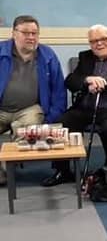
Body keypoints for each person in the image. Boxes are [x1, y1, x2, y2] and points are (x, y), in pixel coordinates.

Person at [41, 24, 107, 186]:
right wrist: (87, 80)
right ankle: (62, 170)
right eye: (94, 41)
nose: (99, 44)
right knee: (62, 123)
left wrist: (105, 82)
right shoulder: (85, 57)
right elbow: (70, 81)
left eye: (103, 39)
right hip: (85, 108)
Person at [0, 15, 66, 186]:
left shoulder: (47, 55)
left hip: (29, 109)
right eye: (26, 33)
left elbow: (59, 89)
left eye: (34, 33)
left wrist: (50, 118)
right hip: (1, 109)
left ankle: (8, 171)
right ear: (14, 33)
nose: (31, 37)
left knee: (26, 130)